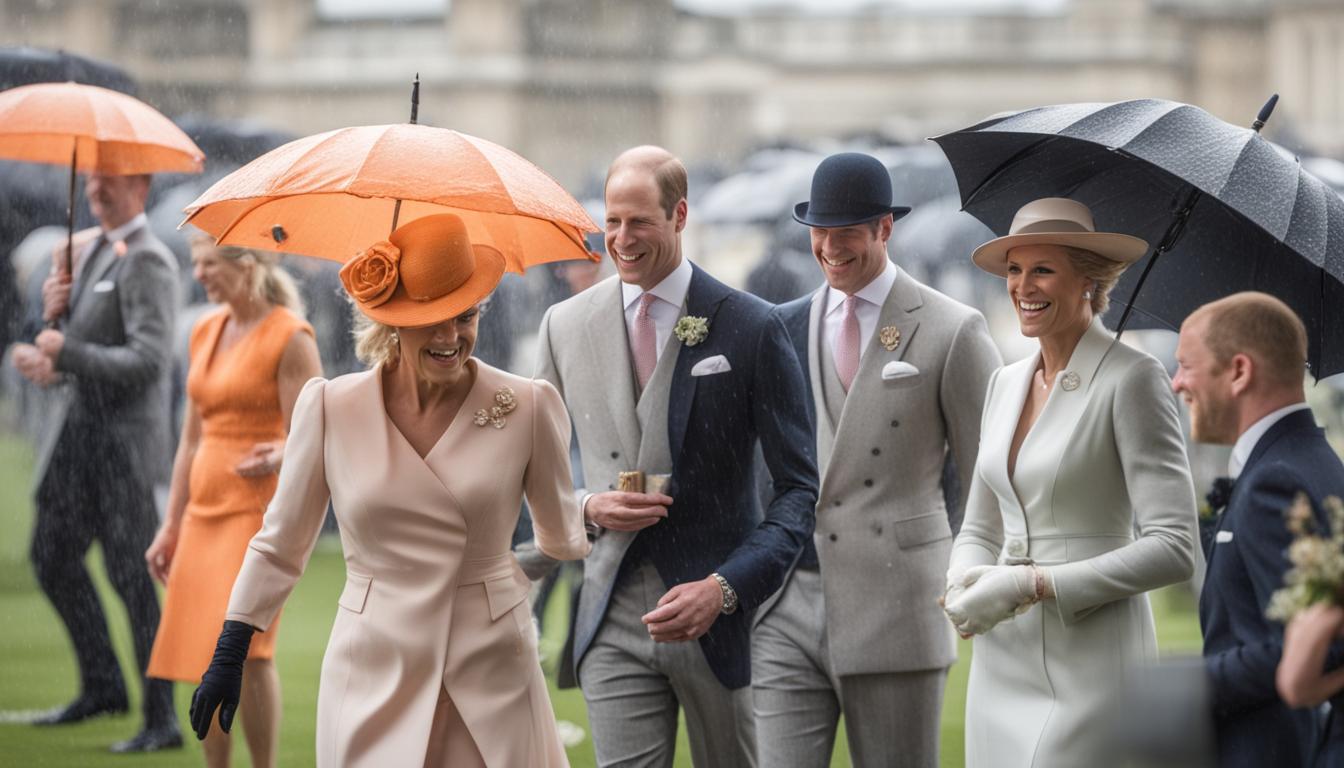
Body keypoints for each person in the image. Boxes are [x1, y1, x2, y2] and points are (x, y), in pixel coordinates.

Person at [188, 212, 590, 766]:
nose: (452, 336)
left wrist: (499, 581)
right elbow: (280, 543)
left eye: (465, 315)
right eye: (432, 319)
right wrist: (232, 646)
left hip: (491, 668)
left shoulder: (528, 404)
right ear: (391, 320)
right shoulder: (330, 407)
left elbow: (562, 538)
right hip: (373, 663)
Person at [533, 145, 817, 767]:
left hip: (716, 617)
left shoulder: (751, 325)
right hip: (607, 611)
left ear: (681, 214)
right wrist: (585, 505)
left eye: (639, 221)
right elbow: (532, 473)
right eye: (611, 221)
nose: (621, 238)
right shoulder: (563, 326)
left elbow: (798, 490)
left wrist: (725, 588)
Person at [754, 152, 1000, 767]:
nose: (830, 248)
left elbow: (983, 479)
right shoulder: (779, 328)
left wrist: (970, 576)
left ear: (885, 228)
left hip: (899, 605)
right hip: (784, 608)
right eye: (820, 232)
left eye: (847, 234)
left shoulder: (953, 329)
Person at [943, 197, 1198, 766]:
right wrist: (962, 581)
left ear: (1089, 279)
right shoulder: (1004, 383)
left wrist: (1033, 585)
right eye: (1014, 269)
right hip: (1000, 660)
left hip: (1093, 663)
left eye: (1043, 269)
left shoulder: (1134, 379)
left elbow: (1174, 548)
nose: (1022, 286)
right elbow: (979, 525)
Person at [9, 171, 182, 752]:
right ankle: (103, 684)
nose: (97, 191)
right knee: (51, 556)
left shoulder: (148, 259)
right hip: (78, 443)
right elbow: (75, 353)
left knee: (131, 578)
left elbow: (149, 361)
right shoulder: (93, 255)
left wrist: (71, 351)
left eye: (110, 181)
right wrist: (50, 332)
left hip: (123, 449)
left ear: (141, 184)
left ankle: (162, 720)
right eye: (92, 182)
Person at [143, 233, 322, 768]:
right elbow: (190, 440)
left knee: (246, 649)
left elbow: (315, 434)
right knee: (205, 649)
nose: (198, 274)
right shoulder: (204, 329)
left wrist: (280, 452)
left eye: (207, 264)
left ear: (246, 265)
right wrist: (169, 524)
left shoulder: (291, 335)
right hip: (201, 512)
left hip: (255, 514)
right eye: (195, 264)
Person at [1173, 291, 1344, 767]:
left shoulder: (1278, 481)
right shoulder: (1308, 461)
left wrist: (1181, 686)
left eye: (1186, 365)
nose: (1175, 383)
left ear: (1239, 372)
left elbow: (1307, 643)